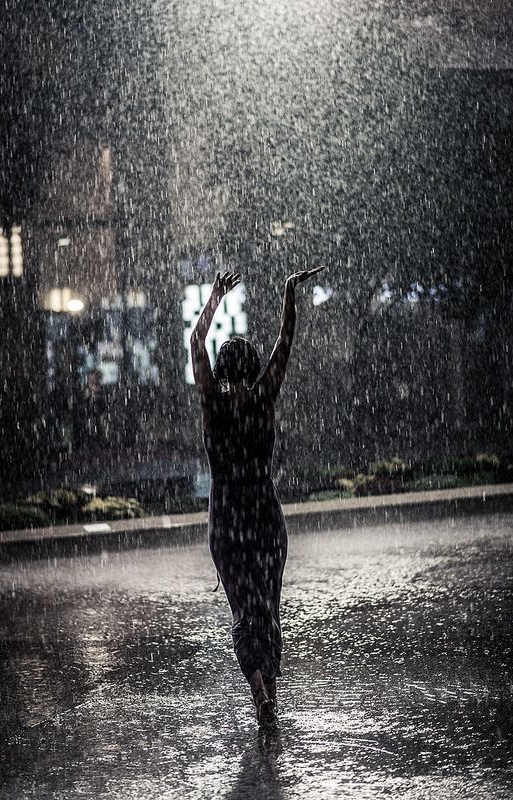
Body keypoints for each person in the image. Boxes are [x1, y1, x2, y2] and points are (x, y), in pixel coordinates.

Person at [190, 267, 324, 725]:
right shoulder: (264, 397)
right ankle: (270, 677)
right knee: (269, 607)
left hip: (226, 522)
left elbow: (195, 343)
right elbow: (285, 342)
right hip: (265, 516)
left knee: (244, 609)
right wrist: (289, 293)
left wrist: (214, 299)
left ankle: (258, 688)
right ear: (253, 368)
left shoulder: (212, 403)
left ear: (223, 371)